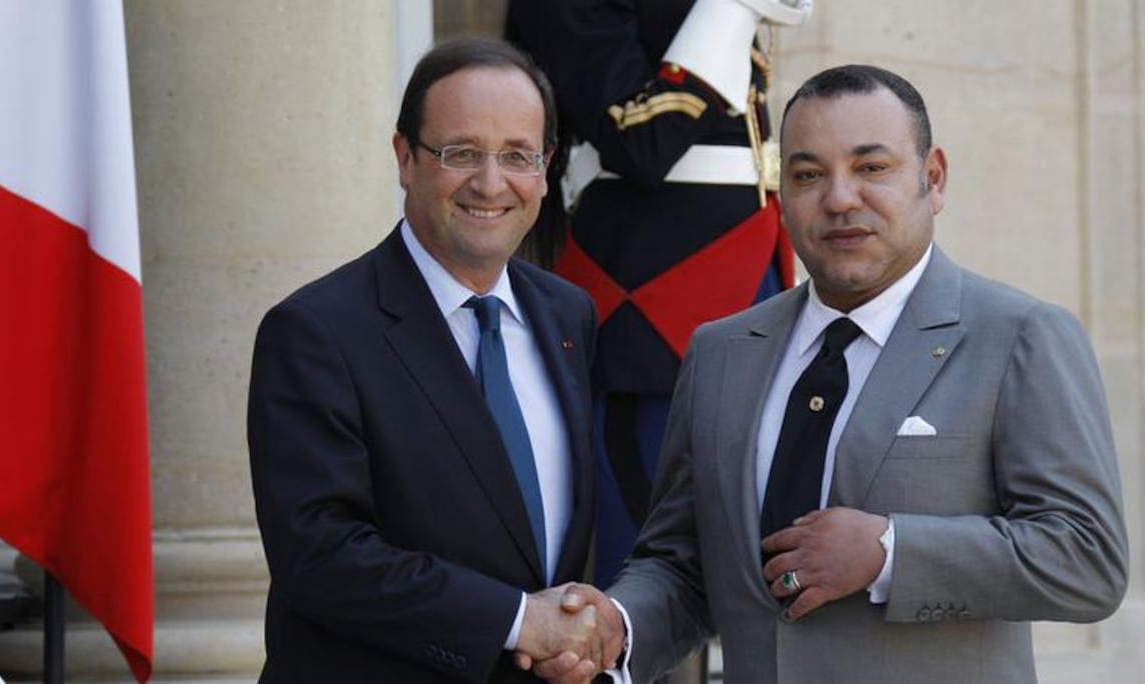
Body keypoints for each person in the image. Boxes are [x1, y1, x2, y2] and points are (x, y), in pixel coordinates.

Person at [532, 64, 1130, 683]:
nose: (840, 198)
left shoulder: (1020, 336)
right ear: (781, 192)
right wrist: (617, 626)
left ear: (934, 178)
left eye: (872, 168)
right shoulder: (720, 351)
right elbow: (684, 565)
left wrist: (889, 553)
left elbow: (1087, 560)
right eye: (809, 174)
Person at [247, 37, 616, 683]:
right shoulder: (315, 331)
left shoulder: (568, 316)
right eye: (461, 153)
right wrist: (515, 619)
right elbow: (320, 556)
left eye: (518, 156)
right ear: (405, 158)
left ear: (547, 167)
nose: (491, 183)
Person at [506, 0, 813, 587]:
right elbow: (642, 139)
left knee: (746, 523)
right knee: (648, 537)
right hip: (652, 289)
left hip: (743, 257)